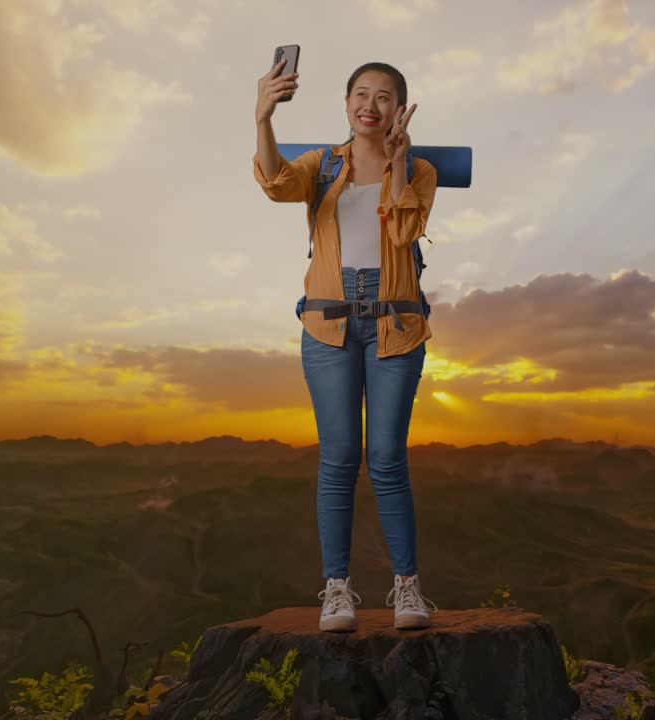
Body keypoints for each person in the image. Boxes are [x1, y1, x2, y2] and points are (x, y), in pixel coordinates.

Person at [253, 59, 439, 632]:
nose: (370, 105)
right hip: (327, 327)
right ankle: (337, 590)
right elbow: (276, 184)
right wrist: (263, 117)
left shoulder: (420, 171)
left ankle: (407, 587)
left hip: (396, 326)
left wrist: (398, 160)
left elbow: (404, 232)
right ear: (346, 102)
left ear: (399, 109)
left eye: (384, 97)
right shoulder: (322, 164)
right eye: (361, 93)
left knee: (386, 459)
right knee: (337, 461)